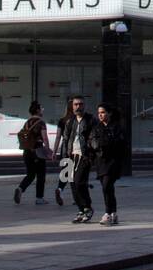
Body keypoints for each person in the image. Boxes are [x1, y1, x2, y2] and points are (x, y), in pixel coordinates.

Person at [88, 104, 126, 227]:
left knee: (106, 186)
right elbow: (92, 143)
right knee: (108, 188)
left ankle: (107, 213)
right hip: (101, 161)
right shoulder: (96, 128)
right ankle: (114, 213)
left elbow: (120, 144)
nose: (100, 115)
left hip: (113, 161)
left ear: (109, 113)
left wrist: (106, 144)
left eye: (103, 112)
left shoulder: (116, 127)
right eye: (99, 112)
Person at [65, 95, 96, 223]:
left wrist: (91, 154)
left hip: (84, 155)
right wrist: (64, 156)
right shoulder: (70, 121)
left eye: (81, 104)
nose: (78, 107)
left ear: (84, 106)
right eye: (76, 104)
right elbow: (66, 138)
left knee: (79, 182)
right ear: (72, 106)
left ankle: (87, 207)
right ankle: (81, 209)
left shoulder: (90, 120)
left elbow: (94, 137)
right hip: (71, 155)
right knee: (72, 183)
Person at [15, 101, 50, 205]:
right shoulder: (41, 122)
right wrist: (47, 150)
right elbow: (45, 138)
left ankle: (20, 188)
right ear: (37, 110)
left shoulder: (27, 122)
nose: (43, 110)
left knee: (30, 174)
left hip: (27, 151)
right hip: (37, 151)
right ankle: (39, 198)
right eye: (41, 108)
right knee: (41, 175)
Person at [53, 98, 77, 207]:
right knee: (75, 174)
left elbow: (58, 137)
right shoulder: (77, 120)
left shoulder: (62, 120)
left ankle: (59, 189)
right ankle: (76, 197)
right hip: (75, 148)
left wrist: (54, 151)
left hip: (64, 148)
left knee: (65, 172)